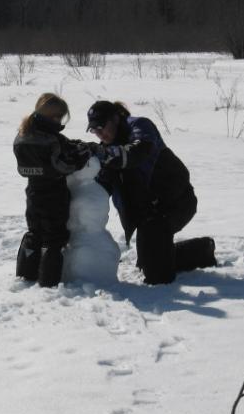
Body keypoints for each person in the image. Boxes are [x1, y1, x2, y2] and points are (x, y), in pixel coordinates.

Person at [86, 100, 217, 285]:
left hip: (177, 203)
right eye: (94, 130)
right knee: (147, 263)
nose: (99, 133)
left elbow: (139, 151)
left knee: (158, 277)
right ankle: (187, 251)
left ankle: (201, 250)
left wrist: (107, 155)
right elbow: (99, 187)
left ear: (115, 118)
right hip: (148, 215)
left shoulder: (139, 126)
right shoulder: (107, 152)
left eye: (101, 126)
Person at [13, 93, 91, 287]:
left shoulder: (24, 134)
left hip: (33, 192)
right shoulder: (49, 139)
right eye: (57, 116)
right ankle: (49, 281)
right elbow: (63, 166)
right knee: (54, 238)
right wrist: (81, 157)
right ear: (48, 115)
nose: (59, 120)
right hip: (53, 193)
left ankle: (26, 274)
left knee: (34, 232)